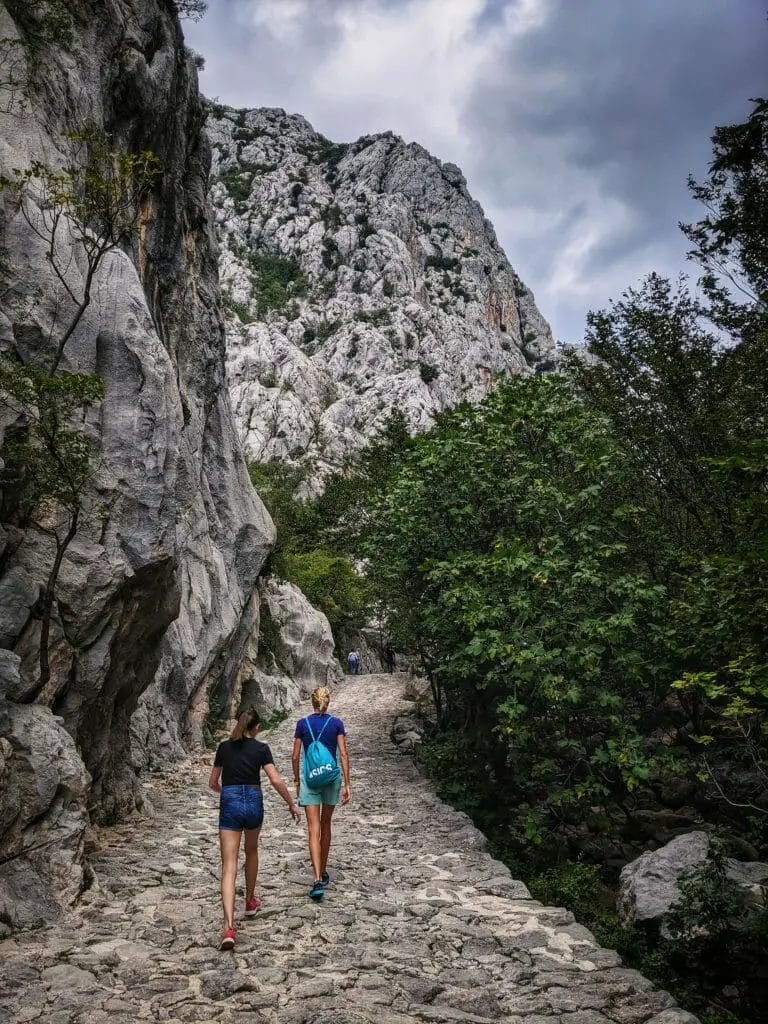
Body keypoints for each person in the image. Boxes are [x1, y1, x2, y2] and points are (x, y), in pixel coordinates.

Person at [209, 707, 300, 951]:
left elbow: (213, 782)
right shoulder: (261, 749)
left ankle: (229, 927)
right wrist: (291, 803)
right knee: (251, 851)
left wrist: (227, 794)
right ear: (256, 727)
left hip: (230, 801)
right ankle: (250, 901)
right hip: (253, 801)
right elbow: (275, 780)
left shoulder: (224, 748)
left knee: (229, 864)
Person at [292, 687, 351, 900]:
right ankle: (324, 870)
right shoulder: (336, 724)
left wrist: (297, 781)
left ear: (312, 702)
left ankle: (316, 879)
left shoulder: (302, 724)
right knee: (326, 825)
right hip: (331, 778)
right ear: (328, 702)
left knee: (312, 829)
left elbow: (295, 756)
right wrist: (348, 784)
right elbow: (342, 754)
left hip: (310, 779)